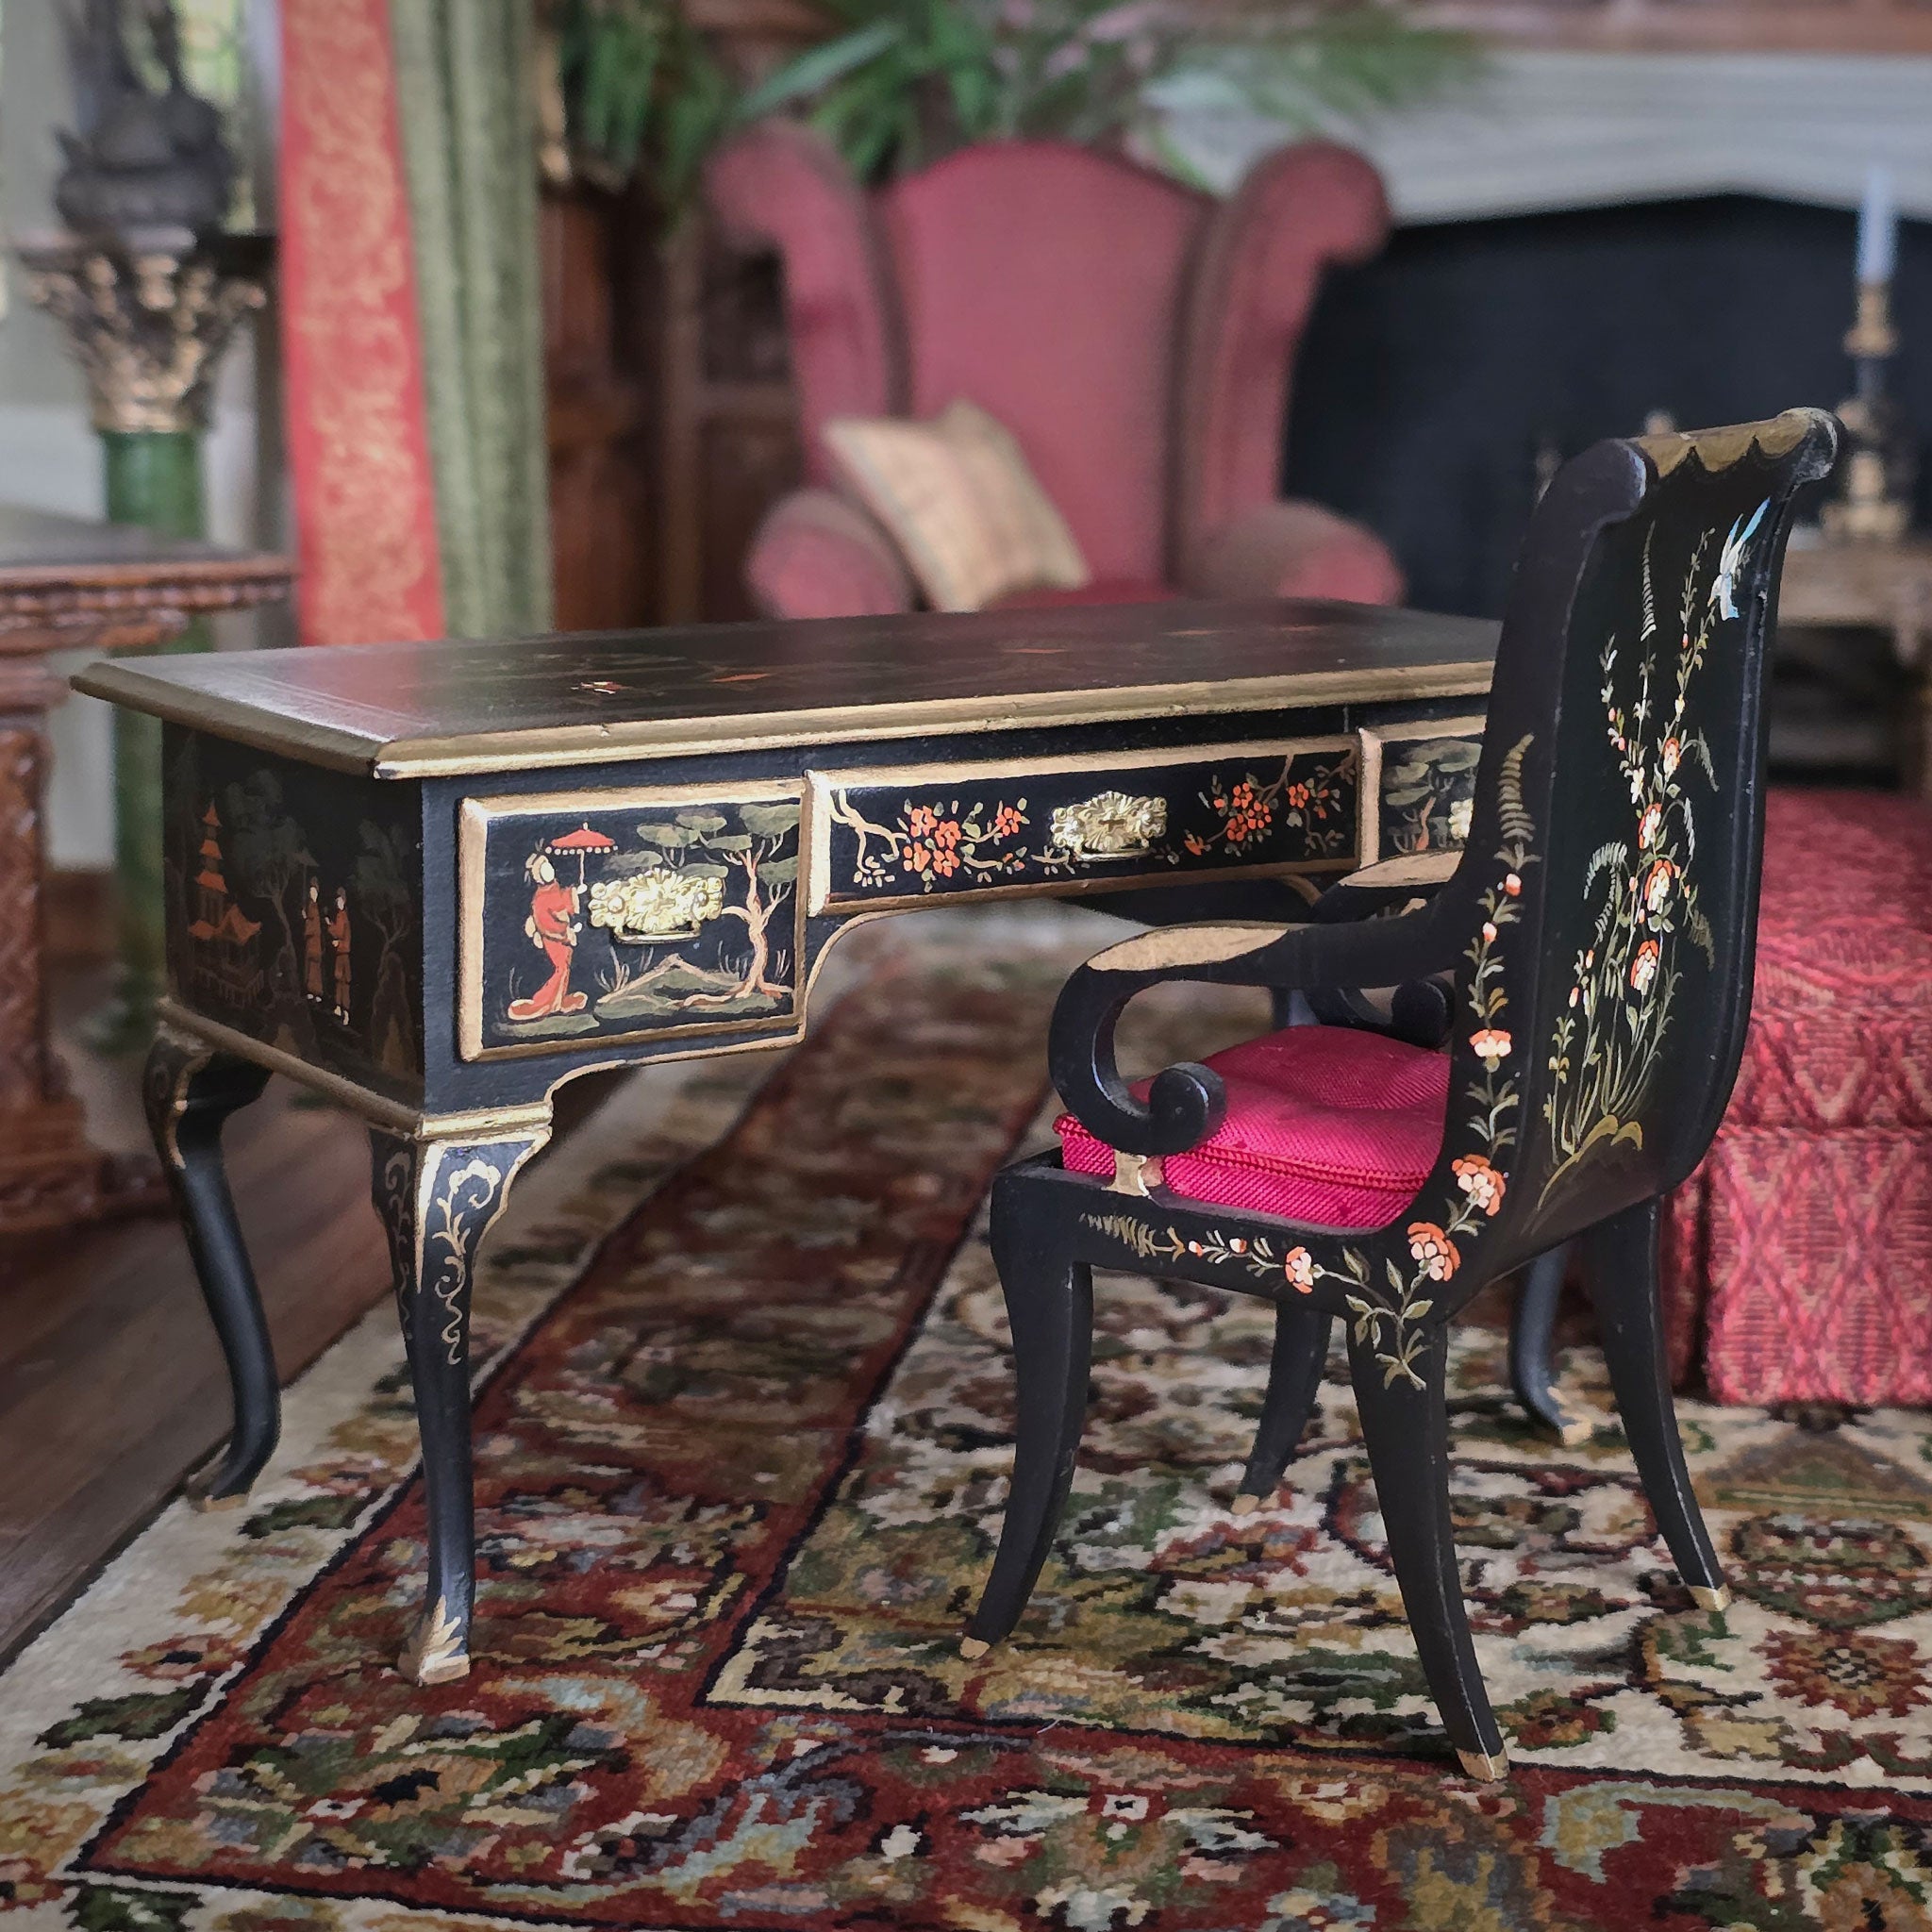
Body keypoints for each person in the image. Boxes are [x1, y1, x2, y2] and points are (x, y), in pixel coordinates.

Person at [507, 848, 588, 1021]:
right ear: (539, 876)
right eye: (544, 868)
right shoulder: (541, 898)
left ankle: (558, 1000)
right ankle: (544, 1002)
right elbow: (548, 922)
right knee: (561, 968)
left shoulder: (553, 889)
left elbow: (562, 900)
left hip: (561, 936)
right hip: (553, 938)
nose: (549, 870)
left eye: (548, 866)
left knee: (565, 967)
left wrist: (575, 893)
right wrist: (566, 932)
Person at [327, 885, 352, 1024]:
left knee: (344, 982)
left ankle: (346, 1011)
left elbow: (346, 939)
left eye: (340, 901)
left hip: (344, 955)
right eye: (337, 901)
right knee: (338, 981)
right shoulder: (338, 916)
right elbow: (336, 931)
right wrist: (330, 926)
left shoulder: (346, 920)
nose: (338, 904)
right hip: (338, 955)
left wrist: (339, 944)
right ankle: (338, 1006)